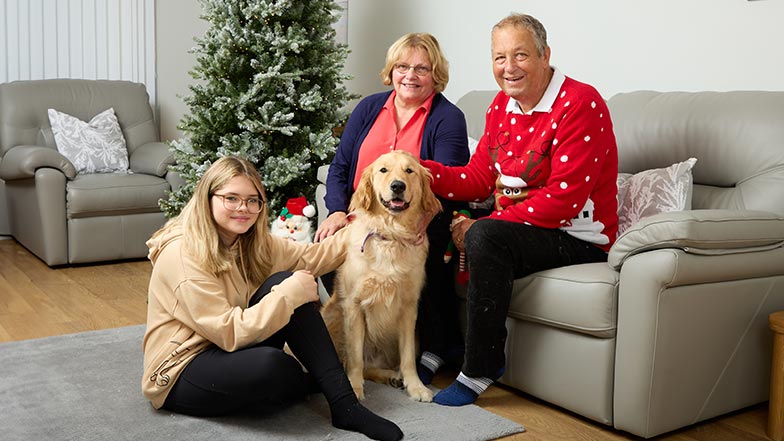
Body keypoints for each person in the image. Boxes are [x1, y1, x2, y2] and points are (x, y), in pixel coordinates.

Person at [421, 13, 619, 406]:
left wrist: (484, 223)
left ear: (545, 55)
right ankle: (437, 343)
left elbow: (563, 200)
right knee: (436, 216)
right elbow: (478, 178)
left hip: (576, 238)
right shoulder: (501, 106)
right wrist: (421, 171)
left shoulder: (581, 103)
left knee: (484, 234)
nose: (508, 68)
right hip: (520, 230)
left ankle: (481, 365)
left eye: (520, 56)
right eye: (499, 57)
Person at [141, 156, 403, 441]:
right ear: (208, 198)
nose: (244, 208)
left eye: (253, 200)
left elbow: (311, 257)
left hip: (229, 348)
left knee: (286, 284)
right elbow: (229, 331)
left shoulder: (249, 241)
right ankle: (301, 383)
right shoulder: (182, 254)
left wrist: (366, 223)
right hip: (181, 371)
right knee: (275, 364)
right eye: (231, 198)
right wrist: (289, 295)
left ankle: (344, 405)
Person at [314, 32, 470, 384]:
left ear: (436, 74)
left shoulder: (448, 118)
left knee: (417, 255)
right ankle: (355, 349)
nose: (410, 75)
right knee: (328, 252)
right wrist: (337, 211)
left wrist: (420, 223)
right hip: (362, 219)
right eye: (402, 66)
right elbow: (340, 168)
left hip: (419, 221)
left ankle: (436, 347)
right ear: (391, 70)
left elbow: (444, 184)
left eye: (421, 68)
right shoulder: (369, 108)